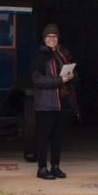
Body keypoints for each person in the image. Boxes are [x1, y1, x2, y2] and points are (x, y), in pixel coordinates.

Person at [31, 23, 78, 179]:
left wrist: (72, 76)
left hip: (61, 101)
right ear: (44, 38)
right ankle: (42, 168)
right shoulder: (39, 56)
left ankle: (56, 166)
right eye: (49, 36)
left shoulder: (64, 53)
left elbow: (74, 75)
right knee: (43, 136)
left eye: (54, 36)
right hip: (46, 103)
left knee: (58, 137)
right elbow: (37, 79)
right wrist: (59, 80)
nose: (52, 39)